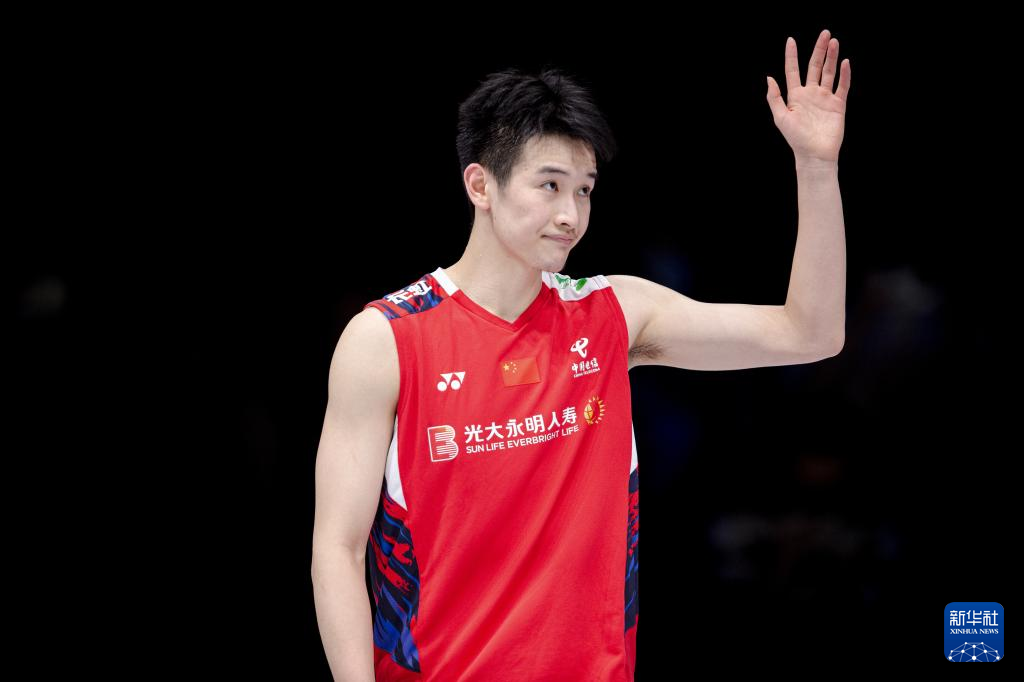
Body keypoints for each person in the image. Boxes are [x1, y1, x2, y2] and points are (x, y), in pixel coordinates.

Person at [312, 28, 851, 681]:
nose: (571, 214)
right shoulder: (386, 340)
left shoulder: (613, 314)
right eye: (550, 184)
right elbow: (338, 550)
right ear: (480, 185)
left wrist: (816, 168)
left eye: (585, 190)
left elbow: (811, 333)